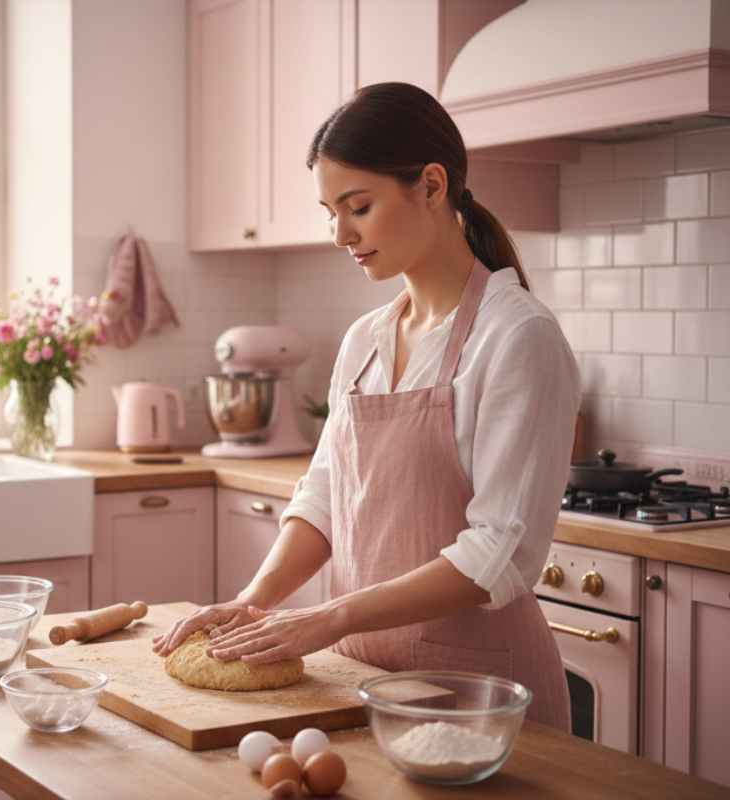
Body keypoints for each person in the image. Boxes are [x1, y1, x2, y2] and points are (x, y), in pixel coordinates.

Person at [153, 82, 579, 730]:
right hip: (364, 685)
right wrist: (253, 603)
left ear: (432, 187)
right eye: (329, 210)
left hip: (483, 702)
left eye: (357, 206)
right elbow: (325, 494)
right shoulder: (365, 340)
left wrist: (330, 617)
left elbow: (499, 553)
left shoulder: (518, 337)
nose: (337, 233)